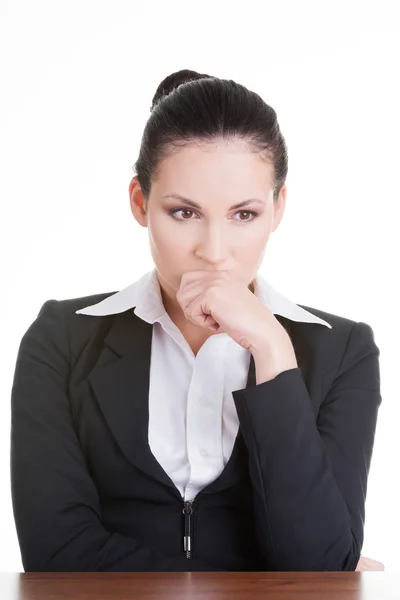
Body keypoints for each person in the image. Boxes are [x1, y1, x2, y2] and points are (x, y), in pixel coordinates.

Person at [10, 69, 382, 573]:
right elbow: (55, 557)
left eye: (244, 215)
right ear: (141, 203)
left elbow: (316, 565)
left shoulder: (342, 352)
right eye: (184, 213)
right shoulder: (62, 339)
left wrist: (273, 350)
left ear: (278, 209)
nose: (213, 252)